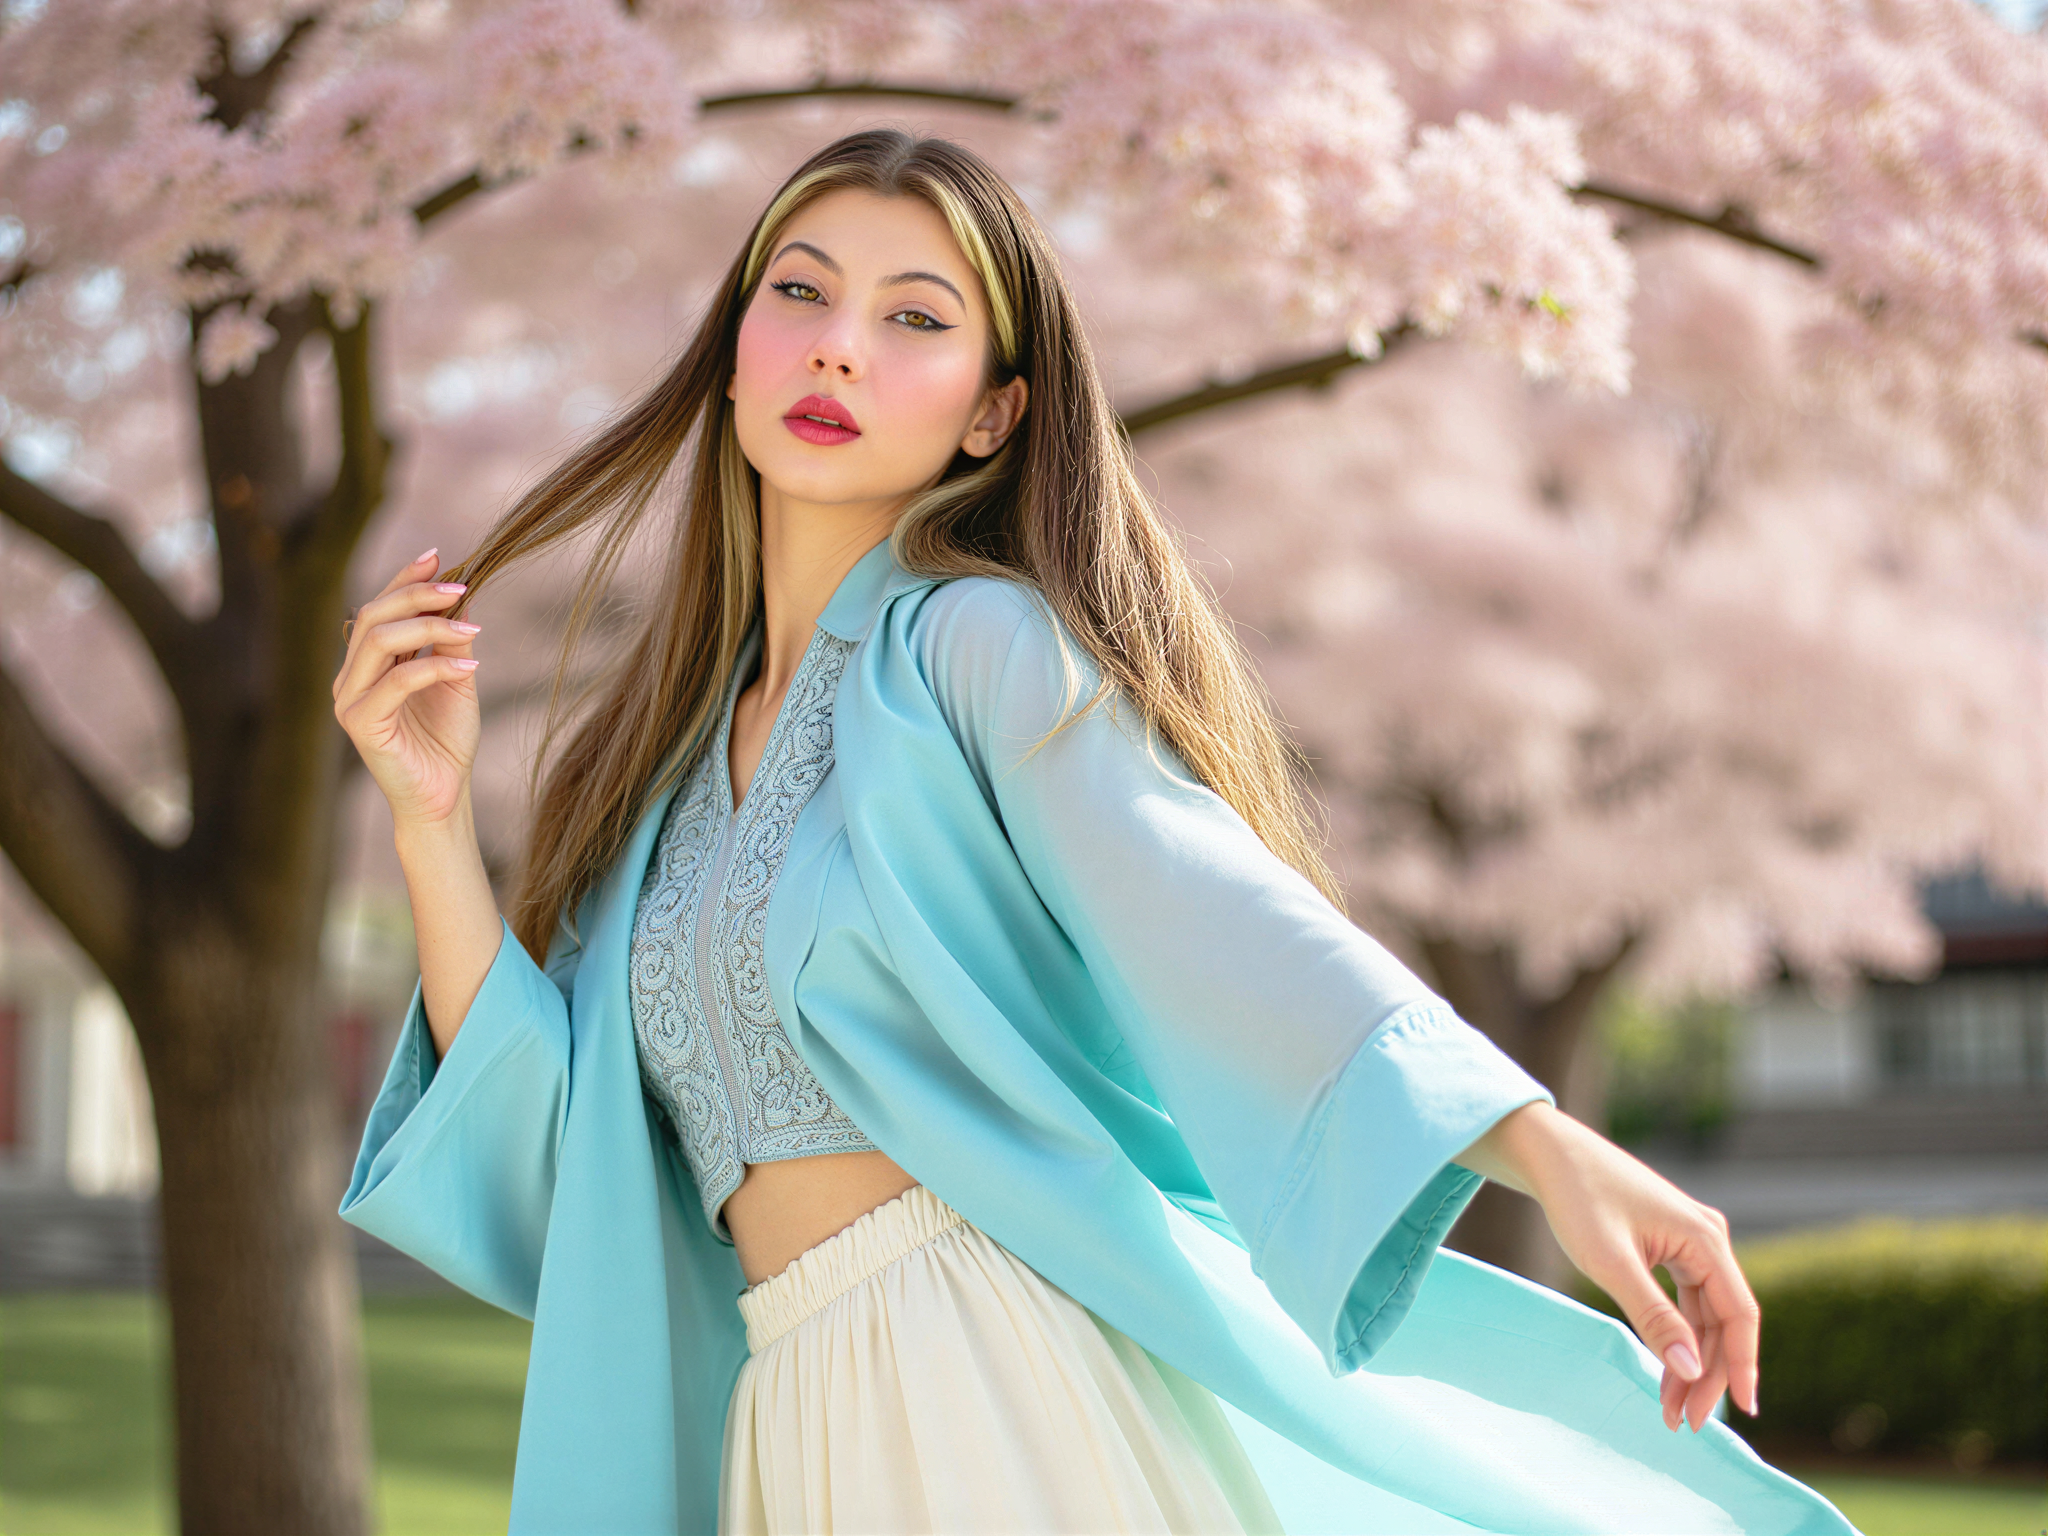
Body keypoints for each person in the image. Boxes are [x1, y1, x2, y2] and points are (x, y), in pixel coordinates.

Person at [333, 128, 1860, 1534]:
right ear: (732, 355)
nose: (840, 345)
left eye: (917, 319)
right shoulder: (661, 781)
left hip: (987, 1364)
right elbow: (558, 1151)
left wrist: (1548, 1150)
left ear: (997, 413)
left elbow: (1209, 911)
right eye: (799, 292)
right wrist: (430, 820)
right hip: (781, 1420)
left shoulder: (975, 650)